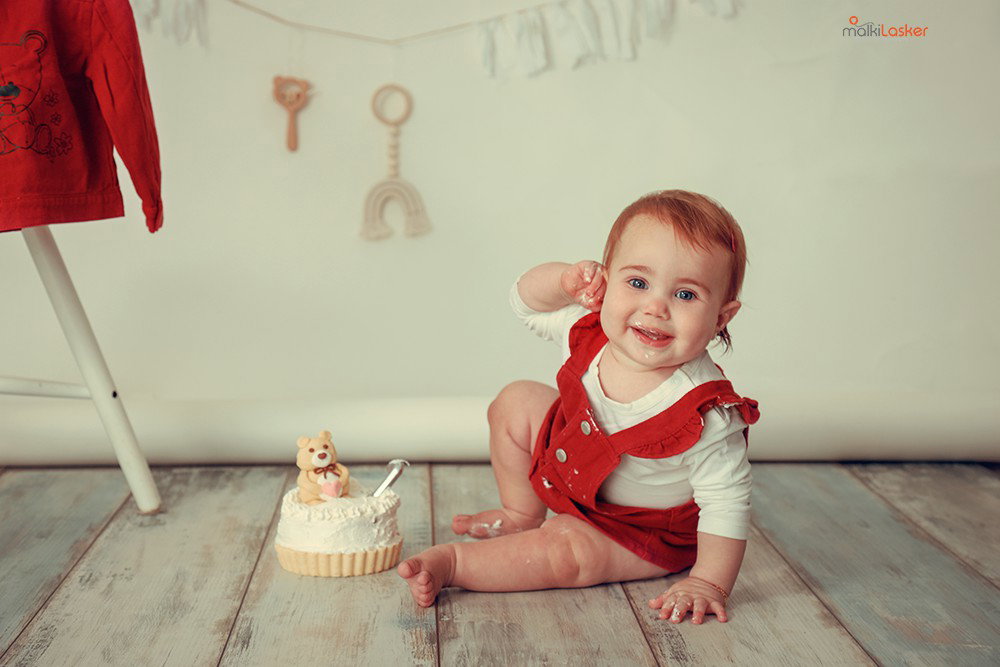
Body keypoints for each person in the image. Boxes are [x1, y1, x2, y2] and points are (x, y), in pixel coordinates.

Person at [398, 189, 760, 624]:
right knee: (516, 400)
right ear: (606, 281)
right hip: (569, 470)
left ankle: (454, 564)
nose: (655, 307)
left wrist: (709, 581)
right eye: (638, 283)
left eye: (685, 294)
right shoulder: (588, 329)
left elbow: (726, 503)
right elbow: (524, 304)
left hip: (638, 530)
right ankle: (521, 512)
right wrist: (562, 281)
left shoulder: (707, 415)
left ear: (721, 317)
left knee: (567, 554)